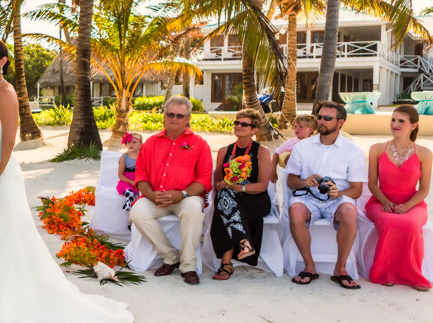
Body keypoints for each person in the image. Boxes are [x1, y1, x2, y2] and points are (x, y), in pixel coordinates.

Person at [0, 39, 134, 323]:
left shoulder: (5, 92)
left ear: (4, 61)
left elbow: (8, 141)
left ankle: (9, 310)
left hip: (0, 172)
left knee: (4, 236)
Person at [129, 96, 213, 285]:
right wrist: (151, 195)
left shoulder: (200, 144)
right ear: (164, 116)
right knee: (137, 212)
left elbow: (205, 179)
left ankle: (188, 266)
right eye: (170, 114)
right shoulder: (150, 143)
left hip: (186, 197)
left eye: (180, 115)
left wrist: (181, 194)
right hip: (155, 196)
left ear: (188, 118)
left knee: (193, 210)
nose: (174, 118)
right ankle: (170, 257)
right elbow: (140, 175)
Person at [285, 101, 366, 289]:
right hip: (307, 197)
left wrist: (339, 193)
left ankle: (341, 268)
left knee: (349, 211)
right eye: (319, 117)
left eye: (327, 118)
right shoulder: (303, 147)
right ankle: (309, 266)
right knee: (295, 210)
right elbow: (291, 181)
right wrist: (305, 182)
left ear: (340, 123)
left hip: (337, 198)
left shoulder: (352, 150)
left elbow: (357, 190)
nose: (321, 121)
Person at [364, 105, 433, 291]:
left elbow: (424, 189)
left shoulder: (425, 153)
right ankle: (386, 273)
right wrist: (386, 202)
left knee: (410, 224)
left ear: (413, 125)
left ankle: (413, 276)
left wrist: (408, 206)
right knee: (389, 222)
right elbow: (372, 184)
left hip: (414, 204)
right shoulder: (377, 149)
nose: (395, 124)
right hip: (380, 202)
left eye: (401, 121)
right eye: (393, 120)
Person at [209, 108, 272, 280]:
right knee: (225, 197)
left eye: (244, 124)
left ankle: (226, 264)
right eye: (237, 122)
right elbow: (218, 182)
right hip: (230, 198)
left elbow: (262, 185)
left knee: (225, 203)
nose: (238, 126)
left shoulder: (262, 152)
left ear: (254, 130)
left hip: (255, 199)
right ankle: (243, 244)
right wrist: (224, 185)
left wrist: (240, 188)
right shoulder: (224, 151)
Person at [270, 115, 317, 183]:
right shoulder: (291, 142)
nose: (297, 129)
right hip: (291, 176)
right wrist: (273, 171)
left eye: (301, 127)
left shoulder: (314, 143)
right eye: (295, 126)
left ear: (310, 130)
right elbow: (276, 154)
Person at [116, 132, 143, 211]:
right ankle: (129, 201)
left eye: (134, 142)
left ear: (141, 145)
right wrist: (131, 182)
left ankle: (142, 204)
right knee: (128, 189)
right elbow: (120, 175)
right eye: (129, 142)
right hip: (127, 180)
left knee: (144, 189)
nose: (131, 144)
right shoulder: (124, 157)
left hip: (140, 177)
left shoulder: (143, 156)